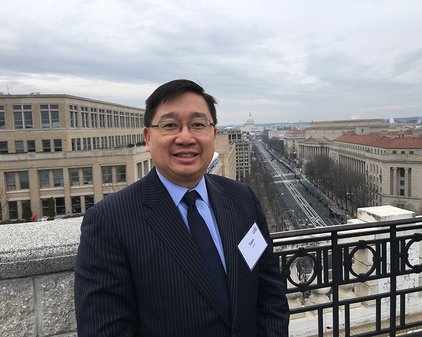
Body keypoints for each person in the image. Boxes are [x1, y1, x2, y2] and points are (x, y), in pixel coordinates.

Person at [74, 79, 289, 337]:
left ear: (213, 133)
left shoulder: (242, 198)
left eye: (198, 125)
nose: (185, 137)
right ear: (148, 138)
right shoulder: (109, 221)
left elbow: (270, 295)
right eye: (170, 125)